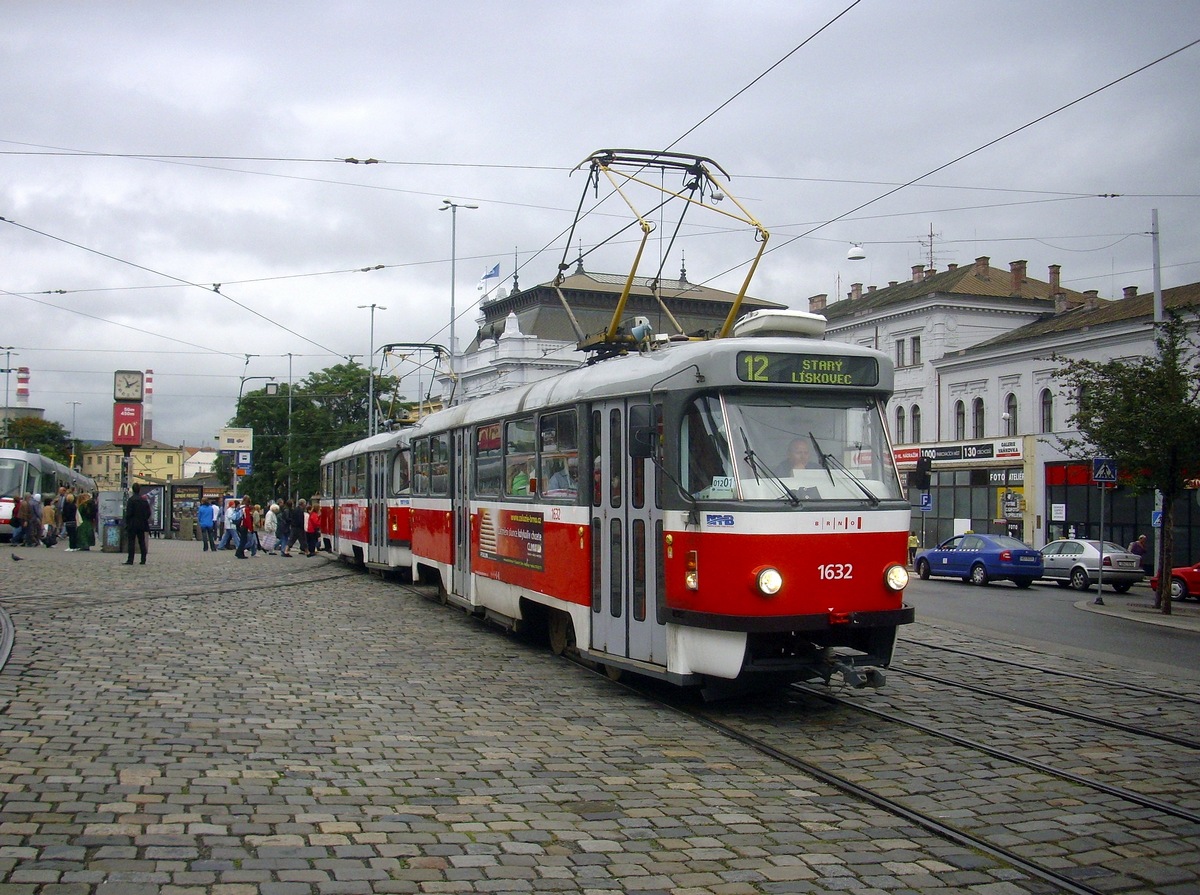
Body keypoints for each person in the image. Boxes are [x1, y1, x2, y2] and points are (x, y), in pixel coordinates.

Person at [123, 483, 151, 565]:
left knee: (131, 542)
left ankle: (130, 559)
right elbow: (148, 513)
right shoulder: (144, 500)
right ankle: (143, 559)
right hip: (142, 524)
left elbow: (128, 513)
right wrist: (144, 518)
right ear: (139, 490)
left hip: (132, 524)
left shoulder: (131, 500)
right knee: (141, 542)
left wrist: (127, 522)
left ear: (133, 489)